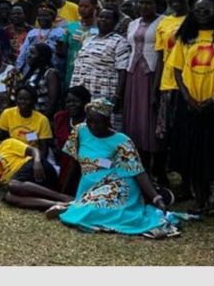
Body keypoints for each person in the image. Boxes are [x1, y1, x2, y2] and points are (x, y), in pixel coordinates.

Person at [44, 98, 187, 239]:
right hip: (89, 187)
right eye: (89, 121)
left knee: (96, 209)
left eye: (97, 122)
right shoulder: (80, 131)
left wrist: (156, 198)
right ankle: (73, 206)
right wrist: (64, 188)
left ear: (107, 121)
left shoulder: (122, 141)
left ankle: (73, 208)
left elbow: (138, 171)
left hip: (117, 184)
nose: (92, 126)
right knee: (85, 210)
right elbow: (73, 163)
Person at [169, 0, 214, 215]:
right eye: (197, 11)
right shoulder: (186, 37)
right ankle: (200, 200)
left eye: (206, 11)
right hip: (190, 106)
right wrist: (188, 98)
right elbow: (177, 69)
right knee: (194, 153)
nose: (201, 14)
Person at [153, 0, 196, 198]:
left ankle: (187, 185)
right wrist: (156, 88)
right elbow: (160, 58)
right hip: (167, 85)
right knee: (164, 136)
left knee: (185, 137)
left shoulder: (197, 19)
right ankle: (162, 180)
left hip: (190, 86)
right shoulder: (164, 23)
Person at [122, 0, 166, 183]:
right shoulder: (132, 23)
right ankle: (135, 166)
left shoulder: (163, 22)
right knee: (134, 120)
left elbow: (162, 54)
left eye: (148, 2)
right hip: (133, 74)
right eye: (141, 2)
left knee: (149, 118)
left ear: (156, 4)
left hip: (151, 75)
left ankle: (153, 170)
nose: (144, 6)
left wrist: (157, 86)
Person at [0, 123, 59, 198]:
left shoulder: (9, 143)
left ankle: (64, 198)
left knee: (13, 185)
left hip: (34, 169)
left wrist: (37, 162)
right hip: (22, 182)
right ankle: (58, 204)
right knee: (9, 197)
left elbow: (34, 150)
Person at [69, 8, 129, 119]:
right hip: (81, 93)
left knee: (101, 125)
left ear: (115, 23)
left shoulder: (120, 42)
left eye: (107, 18)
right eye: (101, 17)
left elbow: (122, 71)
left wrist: (117, 96)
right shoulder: (88, 40)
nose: (103, 20)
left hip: (104, 92)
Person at [52, 85, 92, 195]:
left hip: (84, 167)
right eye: (68, 102)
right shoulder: (60, 117)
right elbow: (56, 143)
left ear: (85, 102)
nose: (71, 105)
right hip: (62, 165)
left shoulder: (93, 121)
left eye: (75, 101)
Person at [0, 86, 54, 159]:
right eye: (20, 99)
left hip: (32, 157)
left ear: (33, 101)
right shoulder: (7, 114)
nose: (22, 102)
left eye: (26, 99)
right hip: (11, 155)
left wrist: (37, 163)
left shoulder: (42, 120)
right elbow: (1, 140)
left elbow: (44, 150)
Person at [15, 4, 65, 74]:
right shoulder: (32, 33)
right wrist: (17, 68)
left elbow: (62, 54)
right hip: (31, 71)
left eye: (45, 16)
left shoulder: (60, 32)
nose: (41, 18)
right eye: (40, 16)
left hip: (51, 71)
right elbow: (23, 53)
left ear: (53, 17)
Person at [63, 0, 99, 86]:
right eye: (80, 6)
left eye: (86, 6)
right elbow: (63, 51)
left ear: (95, 6)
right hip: (71, 74)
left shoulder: (100, 29)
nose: (82, 9)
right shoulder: (70, 27)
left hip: (92, 76)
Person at [21, 43, 60, 118]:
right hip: (28, 117)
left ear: (42, 57)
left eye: (32, 53)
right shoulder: (31, 72)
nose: (28, 56)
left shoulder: (50, 73)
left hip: (42, 117)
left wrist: (43, 120)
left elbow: (53, 102)